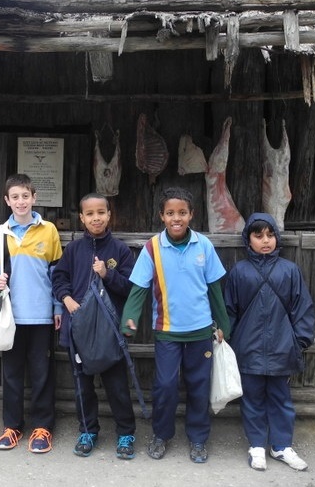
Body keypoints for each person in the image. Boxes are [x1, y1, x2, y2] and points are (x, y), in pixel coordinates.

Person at [121, 187, 230, 463]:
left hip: (201, 331)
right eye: (170, 213)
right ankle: (161, 434)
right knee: (166, 385)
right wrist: (129, 318)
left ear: (191, 214)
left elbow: (215, 289)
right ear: (162, 216)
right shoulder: (152, 248)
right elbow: (138, 289)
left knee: (198, 385)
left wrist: (223, 325)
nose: (176, 218)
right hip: (167, 332)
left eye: (182, 212)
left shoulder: (203, 245)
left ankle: (198, 438)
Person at [224, 212, 315, 472]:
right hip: (248, 350)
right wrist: (227, 340)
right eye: (258, 235)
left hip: (282, 348)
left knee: (281, 399)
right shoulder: (239, 272)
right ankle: (256, 446)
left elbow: (303, 308)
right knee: (252, 399)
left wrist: (299, 342)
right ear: (248, 239)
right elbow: (229, 309)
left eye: (270, 235)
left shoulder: (290, 271)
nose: (265, 241)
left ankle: (281, 446)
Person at [52, 193, 137, 459]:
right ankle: (88, 430)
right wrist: (66, 299)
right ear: (82, 218)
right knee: (82, 385)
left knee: (117, 386)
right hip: (77, 328)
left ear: (109, 215)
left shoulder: (120, 251)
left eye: (101, 212)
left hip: (109, 331)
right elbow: (58, 279)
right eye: (90, 214)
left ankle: (126, 433)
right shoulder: (74, 250)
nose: (96, 218)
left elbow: (130, 288)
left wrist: (106, 274)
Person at [0, 173, 62, 453]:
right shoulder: (1, 233)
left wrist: (56, 307)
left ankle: (43, 427)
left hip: (41, 315)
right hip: (11, 317)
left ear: (34, 198)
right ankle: (12, 426)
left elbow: (57, 274)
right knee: (12, 373)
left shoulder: (49, 230)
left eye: (25, 196)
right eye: (15, 197)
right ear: (7, 201)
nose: (21, 201)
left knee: (42, 373)